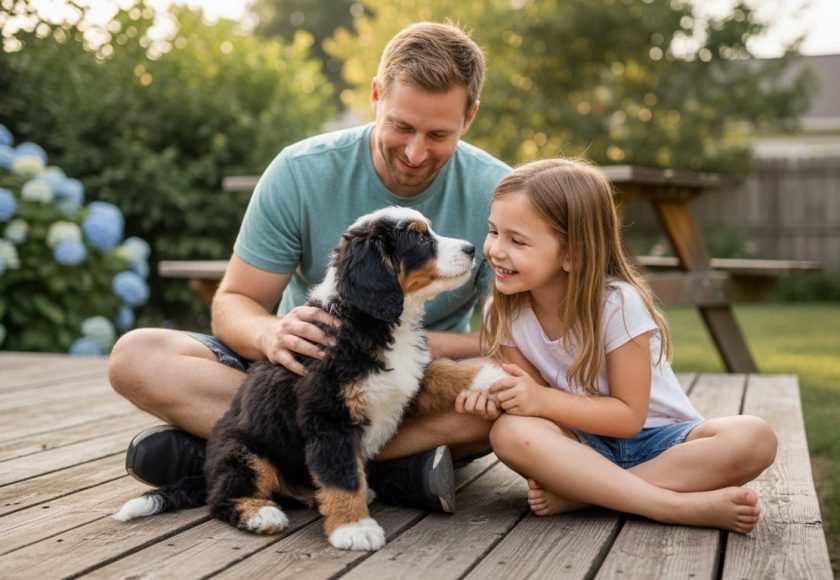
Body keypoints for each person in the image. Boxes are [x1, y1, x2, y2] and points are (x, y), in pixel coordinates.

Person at [107, 22, 510, 513]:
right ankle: (386, 468)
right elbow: (235, 301)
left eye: (439, 134)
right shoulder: (300, 171)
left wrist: (419, 350)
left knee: (506, 393)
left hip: (417, 387)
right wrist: (271, 334)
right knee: (136, 356)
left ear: (469, 117)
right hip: (298, 381)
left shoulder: (501, 192)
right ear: (377, 95)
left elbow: (516, 340)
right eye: (401, 126)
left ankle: (238, 458)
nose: (415, 152)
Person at [455, 157, 777, 533]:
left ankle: (589, 496)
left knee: (755, 437)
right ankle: (670, 505)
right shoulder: (502, 308)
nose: (494, 249)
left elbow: (628, 418)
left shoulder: (618, 304)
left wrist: (539, 401)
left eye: (517, 240)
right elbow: (531, 404)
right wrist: (495, 395)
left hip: (662, 440)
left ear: (572, 253)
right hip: (580, 446)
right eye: (493, 231)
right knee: (508, 432)